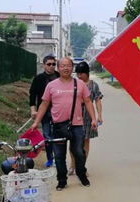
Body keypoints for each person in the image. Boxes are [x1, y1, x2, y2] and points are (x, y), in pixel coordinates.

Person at [30, 57, 97, 190]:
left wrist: (93, 118)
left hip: (77, 124)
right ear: (58, 68)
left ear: (72, 68)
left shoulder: (80, 84)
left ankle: (81, 174)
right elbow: (44, 104)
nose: (66, 68)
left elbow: (88, 101)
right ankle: (62, 180)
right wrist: (36, 122)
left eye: (68, 65)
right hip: (58, 125)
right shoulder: (51, 85)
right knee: (59, 155)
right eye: (62, 66)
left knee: (79, 152)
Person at [67, 62, 104, 174]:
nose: (79, 76)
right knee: (73, 141)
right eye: (77, 73)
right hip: (74, 116)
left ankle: (82, 166)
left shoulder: (93, 85)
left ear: (87, 73)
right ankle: (72, 164)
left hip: (88, 117)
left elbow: (97, 101)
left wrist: (99, 116)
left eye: (81, 74)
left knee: (85, 141)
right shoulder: (73, 84)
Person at [29, 54, 59, 167]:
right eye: (49, 64)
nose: (51, 66)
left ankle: (58, 159)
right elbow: (32, 95)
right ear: (43, 65)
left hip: (58, 111)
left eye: (53, 64)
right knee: (47, 136)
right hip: (44, 112)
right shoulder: (38, 79)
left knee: (57, 136)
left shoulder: (59, 77)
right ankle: (50, 159)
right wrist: (33, 110)